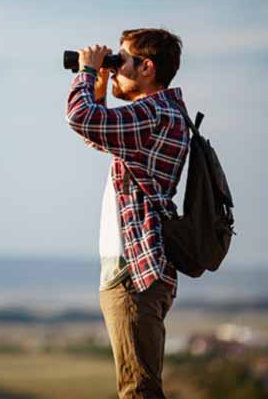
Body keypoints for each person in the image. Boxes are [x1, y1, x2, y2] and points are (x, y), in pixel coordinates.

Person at [65, 28, 190, 399]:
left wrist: (87, 73)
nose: (114, 67)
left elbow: (80, 119)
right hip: (135, 270)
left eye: (121, 60)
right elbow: (97, 133)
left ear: (147, 67)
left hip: (134, 274)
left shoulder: (155, 113)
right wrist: (101, 85)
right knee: (137, 387)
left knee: (138, 391)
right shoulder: (158, 115)